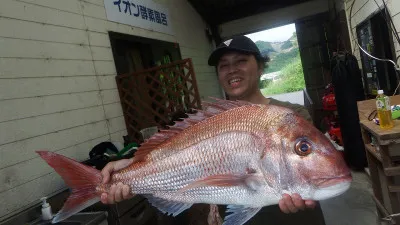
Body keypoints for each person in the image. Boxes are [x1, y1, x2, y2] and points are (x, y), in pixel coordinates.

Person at [100, 35, 326, 225]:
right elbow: (174, 156)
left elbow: (313, 168)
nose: (231, 70)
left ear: (260, 66)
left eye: (240, 61)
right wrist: (131, 167)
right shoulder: (207, 122)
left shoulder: (290, 115)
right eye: (224, 66)